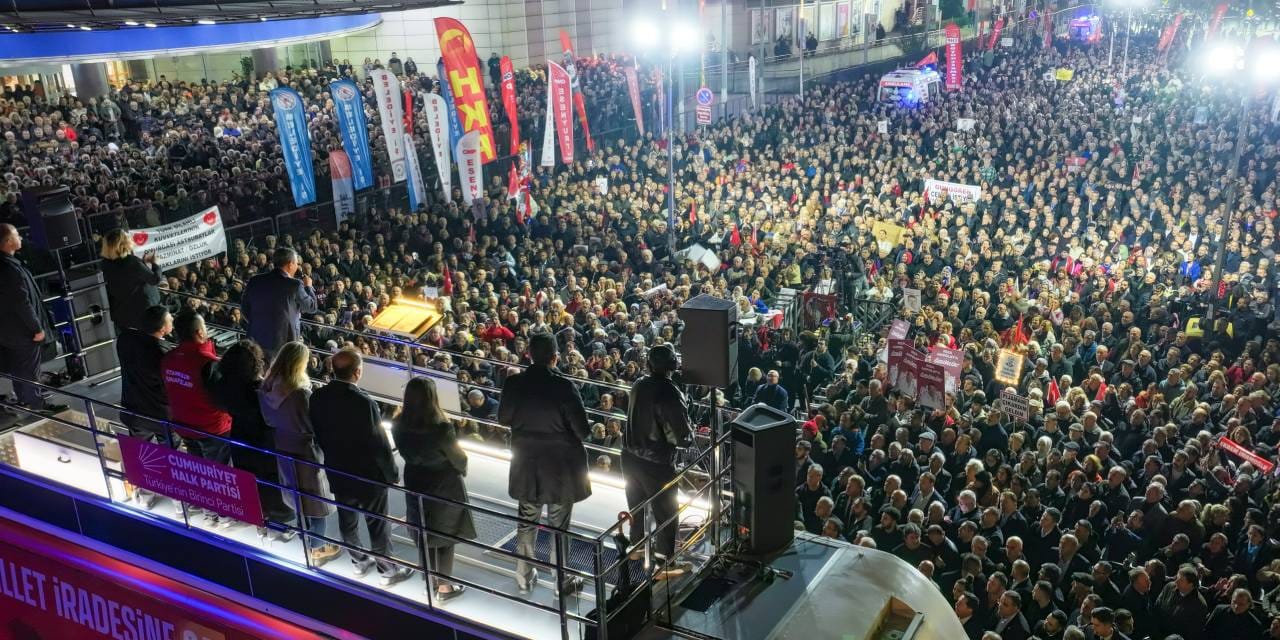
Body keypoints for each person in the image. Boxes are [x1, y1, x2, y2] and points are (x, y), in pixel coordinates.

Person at [498, 332, 591, 595]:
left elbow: (503, 418)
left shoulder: (514, 383)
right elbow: (583, 431)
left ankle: (523, 576)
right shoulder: (564, 386)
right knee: (559, 526)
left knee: (526, 521)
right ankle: (561, 581)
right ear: (555, 358)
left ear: (529, 354)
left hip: (526, 464)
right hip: (561, 468)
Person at [310, 348, 411, 587]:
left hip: (337, 470)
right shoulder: (364, 402)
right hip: (368, 475)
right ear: (357, 372)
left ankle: (359, 562)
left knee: (348, 520)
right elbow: (379, 443)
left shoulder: (317, 397)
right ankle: (387, 571)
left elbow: (318, 433)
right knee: (377, 524)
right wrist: (392, 473)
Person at [392, 376, 476, 601]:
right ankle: (444, 588)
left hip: (415, 481)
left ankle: (429, 582)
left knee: (424, 532)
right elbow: (459, 459)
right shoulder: (441, 428)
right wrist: (462, 468)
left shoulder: (398, 423)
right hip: (443, 485)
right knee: (444, 536)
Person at [258, 341, 340, 565]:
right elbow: (313, 424)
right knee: (315, 501)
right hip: (305, 450)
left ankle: (307, 540)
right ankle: (316, 549)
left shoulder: (268, 387)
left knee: (296, 496)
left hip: (283, 444)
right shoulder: (300, 394)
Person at [207, 339, 296, 531]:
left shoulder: (224, 386)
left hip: (240, 438)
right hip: (264, 442)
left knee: (249, 478)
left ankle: (258, 517)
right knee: (271, 481)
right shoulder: (261, 390)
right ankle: (276, 525)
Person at [622, 344, 692, 578]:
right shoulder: (669, 392)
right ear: (672, 365)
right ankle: (664, 564)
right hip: (656, 462)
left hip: (629, 456)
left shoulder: (638, 384)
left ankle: (636, 547)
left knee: (636, 505)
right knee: (666, 512)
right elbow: (680, 436)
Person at [0, 223, 62, 414]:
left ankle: (26, 401)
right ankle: (36, 405)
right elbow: (21, 302)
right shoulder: (9, 268)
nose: (20, 238)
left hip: (11, 330)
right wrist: (37, 328)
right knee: (29, 369)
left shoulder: (8, 265)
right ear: (8, 241)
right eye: (16, 235)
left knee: (20, 369)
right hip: (23, 331)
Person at [241, 247, 318, 359]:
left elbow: (244, 309)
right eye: (296, 264)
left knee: (257, 367)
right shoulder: (295, 285)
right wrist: (308, 287)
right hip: (284, 343)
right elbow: (312, 307)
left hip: (256, 339)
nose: (297, 267)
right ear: (290, 264)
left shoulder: (255, 280)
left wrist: (260, 323)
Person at [99, 228, 162, 333]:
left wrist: (142, 263)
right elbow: (155, 280)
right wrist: (156, 264)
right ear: (123, 243)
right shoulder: (131, 261)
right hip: (143, 313)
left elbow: (127, 278)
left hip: (124, 316)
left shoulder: (105, 264)